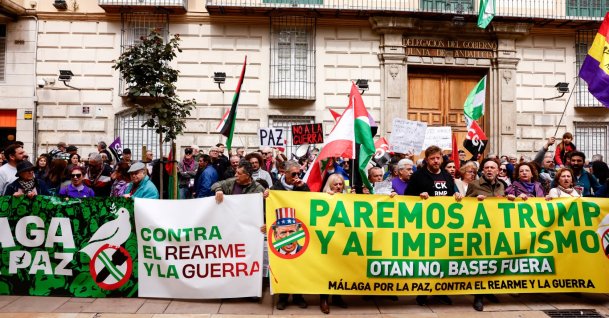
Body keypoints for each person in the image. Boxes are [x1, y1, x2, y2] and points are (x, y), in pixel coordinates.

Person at [405, 145, 461, 306]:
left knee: (443, 258)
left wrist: (457, 195)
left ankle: (441, 291)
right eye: (432, 158)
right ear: (427, 160)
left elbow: (453, 194)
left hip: (445, 226)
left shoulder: (447, 176)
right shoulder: (418, 176)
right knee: (427, 261)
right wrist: (418, 196)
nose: (436, 161)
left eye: (438, 158)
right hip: (425, 226)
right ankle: (422, 293)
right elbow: (407, 198)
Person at [265, 160, 309, 311]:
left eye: (299, 173)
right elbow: (268, 207)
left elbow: (311, 202)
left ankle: (298, 296)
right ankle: (283, 297)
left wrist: (302, 188)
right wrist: (266, 196)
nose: (297, 176)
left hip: (298, 232)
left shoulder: (303, 186)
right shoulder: (275, 188)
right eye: (294, 174)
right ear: (284, 173)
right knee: (283, 265)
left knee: (299, 265)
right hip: (282, 234)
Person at [465, 158, 504, 311]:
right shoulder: (474, 185)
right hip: (479, 230)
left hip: (497, 229)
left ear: (498, 170)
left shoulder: (502, 185)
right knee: (481, 264)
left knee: (493, 262)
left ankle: (488, 291)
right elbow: (465, 206)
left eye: (492, 168)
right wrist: (475, 201)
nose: (489, 170)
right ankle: (478, 296)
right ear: (482, 170)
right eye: (486, 167)